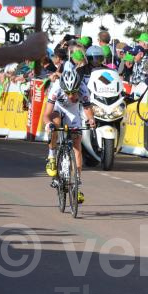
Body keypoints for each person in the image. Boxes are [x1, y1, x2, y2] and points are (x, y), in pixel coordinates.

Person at [43, 69, 96, 204]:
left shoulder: (83, 89)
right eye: (68, 92)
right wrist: (49, 124)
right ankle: (52, 157)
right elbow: (46, 114)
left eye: (74, 92)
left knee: (77, 145)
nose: (71, 95)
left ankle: (76, 186)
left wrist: (91, 120)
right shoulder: (56, 89)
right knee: (55, 124)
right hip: (58, 109)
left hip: (72, 112)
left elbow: (87, 107)